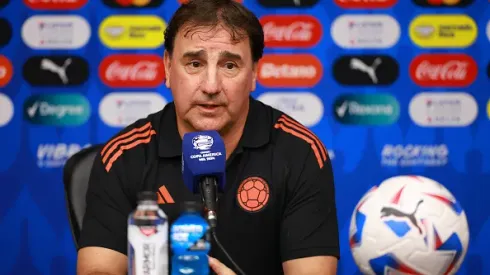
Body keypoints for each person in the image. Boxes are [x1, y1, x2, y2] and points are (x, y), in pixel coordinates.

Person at [77, 0, 340, 274]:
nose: (211, 86)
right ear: (167, 68)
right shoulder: (123, 156)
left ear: (254, 74)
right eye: (194, 63)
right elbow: (98, 269)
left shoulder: (300, 152)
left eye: (229, 66)